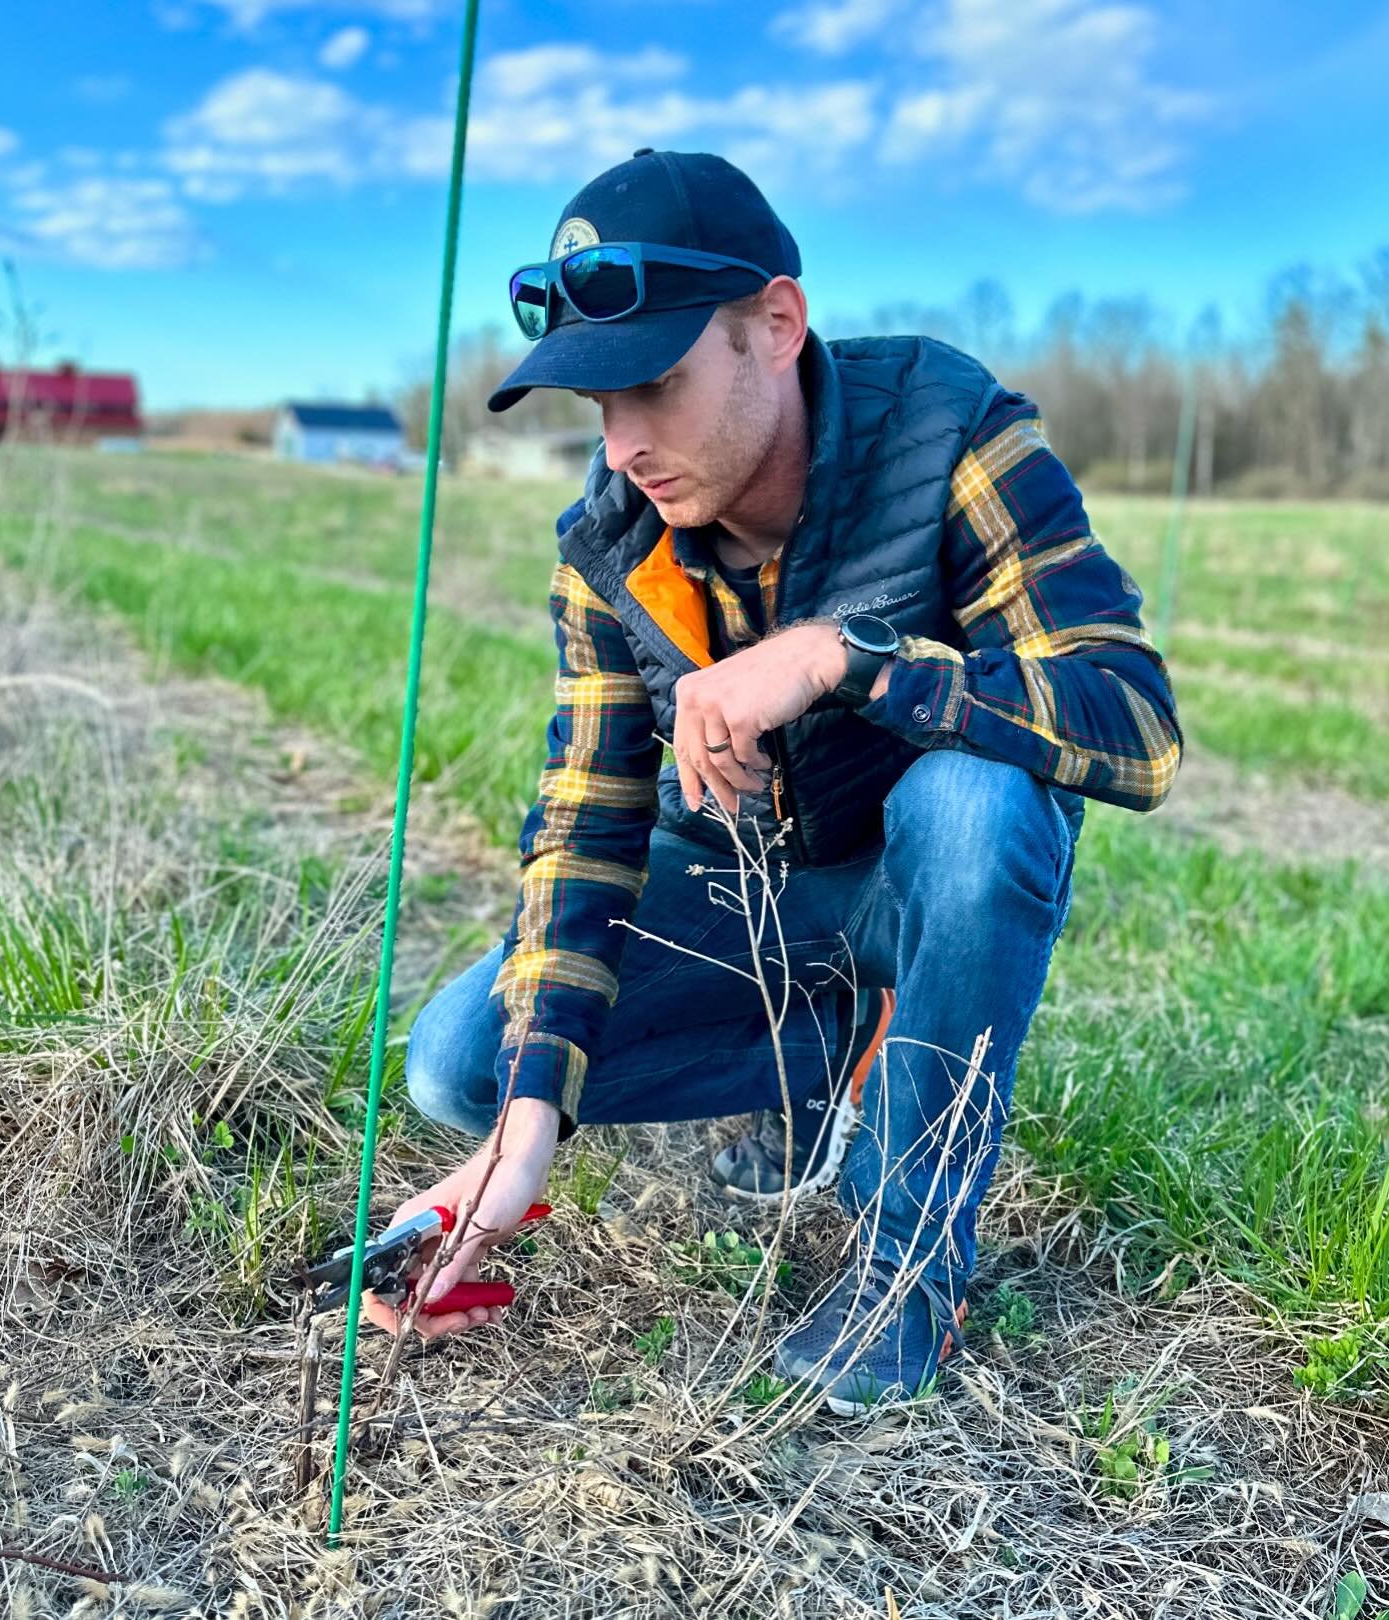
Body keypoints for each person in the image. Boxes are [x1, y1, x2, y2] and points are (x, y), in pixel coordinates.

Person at [366, 149, 1182, 1413]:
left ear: (776, 325)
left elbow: (1133, 722)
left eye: (654, 384)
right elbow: (587, 821)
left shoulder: (949, 431)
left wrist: (841, 658)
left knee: (977, 804)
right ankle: (843, 1054)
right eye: (598, 402)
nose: (625, 443)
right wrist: (526, 1135)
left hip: (918, 878)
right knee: (463, 1065)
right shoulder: (608, 545)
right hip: (743, 895)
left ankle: (911, 1261)